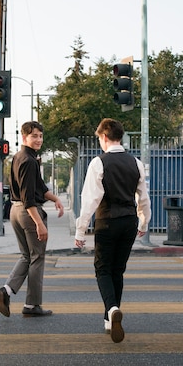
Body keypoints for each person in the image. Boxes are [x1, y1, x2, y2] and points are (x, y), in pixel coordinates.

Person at [74, 118, 151, 343]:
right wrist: (144, 222)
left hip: (107, 220)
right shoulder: (135, 163)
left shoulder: (99, 163)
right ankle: (110, 319)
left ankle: (112, 309)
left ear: (104, 137)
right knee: (118, 271)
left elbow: (90, 200)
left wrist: (81, 231)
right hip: (129, 222)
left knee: (103, 270)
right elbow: (143, 198)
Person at [0, 121, 64, 318]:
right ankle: (32, 305)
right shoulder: (28, 160)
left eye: (40, 136)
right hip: (27, 212)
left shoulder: (20, 157)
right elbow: (28, 197)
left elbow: (40, 186)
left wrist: (56, 199)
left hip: (16, 212)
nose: (38, 139)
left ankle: (6, 291)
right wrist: (39, 222)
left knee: (27, 256)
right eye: (34, 136)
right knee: (37, 257)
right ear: (24, 137)